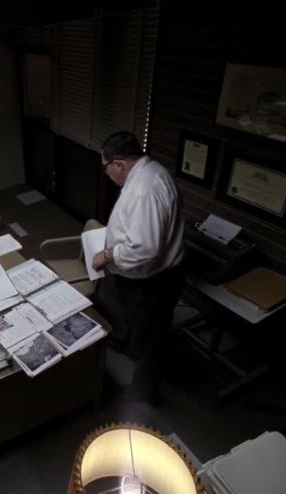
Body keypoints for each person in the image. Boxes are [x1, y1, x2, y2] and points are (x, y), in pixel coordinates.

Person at [91, 131, 186, 404]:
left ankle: (144, 394)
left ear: (119, 164)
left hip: (152, 282)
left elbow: (145, 248)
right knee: (140, 324)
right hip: (152, 277)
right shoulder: (151, 172)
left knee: (151, 338)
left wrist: (107, 254)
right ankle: (129, 343)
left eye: (105, 167)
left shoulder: (145, 190)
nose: (106, 173)